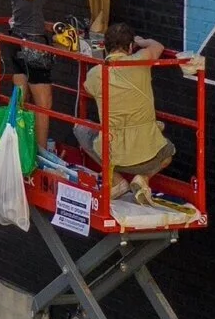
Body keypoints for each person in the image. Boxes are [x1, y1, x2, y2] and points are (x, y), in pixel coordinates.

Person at [75, 20, 194, 208]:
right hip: (147, 155)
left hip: (112, 156)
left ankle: (117, 180)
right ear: (130, 47)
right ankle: (143, 178)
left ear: (105, 47)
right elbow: (158, 46)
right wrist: (141, 41)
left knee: (80, 129)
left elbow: (88, 90)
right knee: (168, 151)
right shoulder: (141, 60)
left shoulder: (96, 74)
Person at [5, 0, 95, 158]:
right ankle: (41, 154)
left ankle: (18, 147)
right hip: (34, 47)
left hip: (15, 42)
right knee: (43, 104)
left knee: (20, 99)